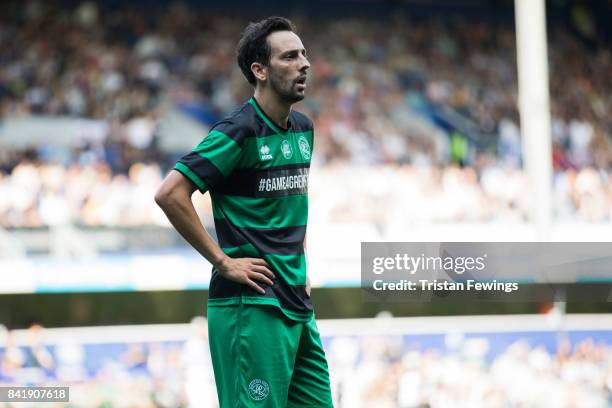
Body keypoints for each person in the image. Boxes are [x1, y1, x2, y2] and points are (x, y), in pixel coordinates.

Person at [155, 16, 333, 408]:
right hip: (250, 304)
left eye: (304, 54)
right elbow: (170, 193)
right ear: (260, 70)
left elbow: (285, 210)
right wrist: (223, 261)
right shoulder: (238, 131)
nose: (304, 63)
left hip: (297, 303)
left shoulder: (303, 128)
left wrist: (301, 266)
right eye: (289, 57)